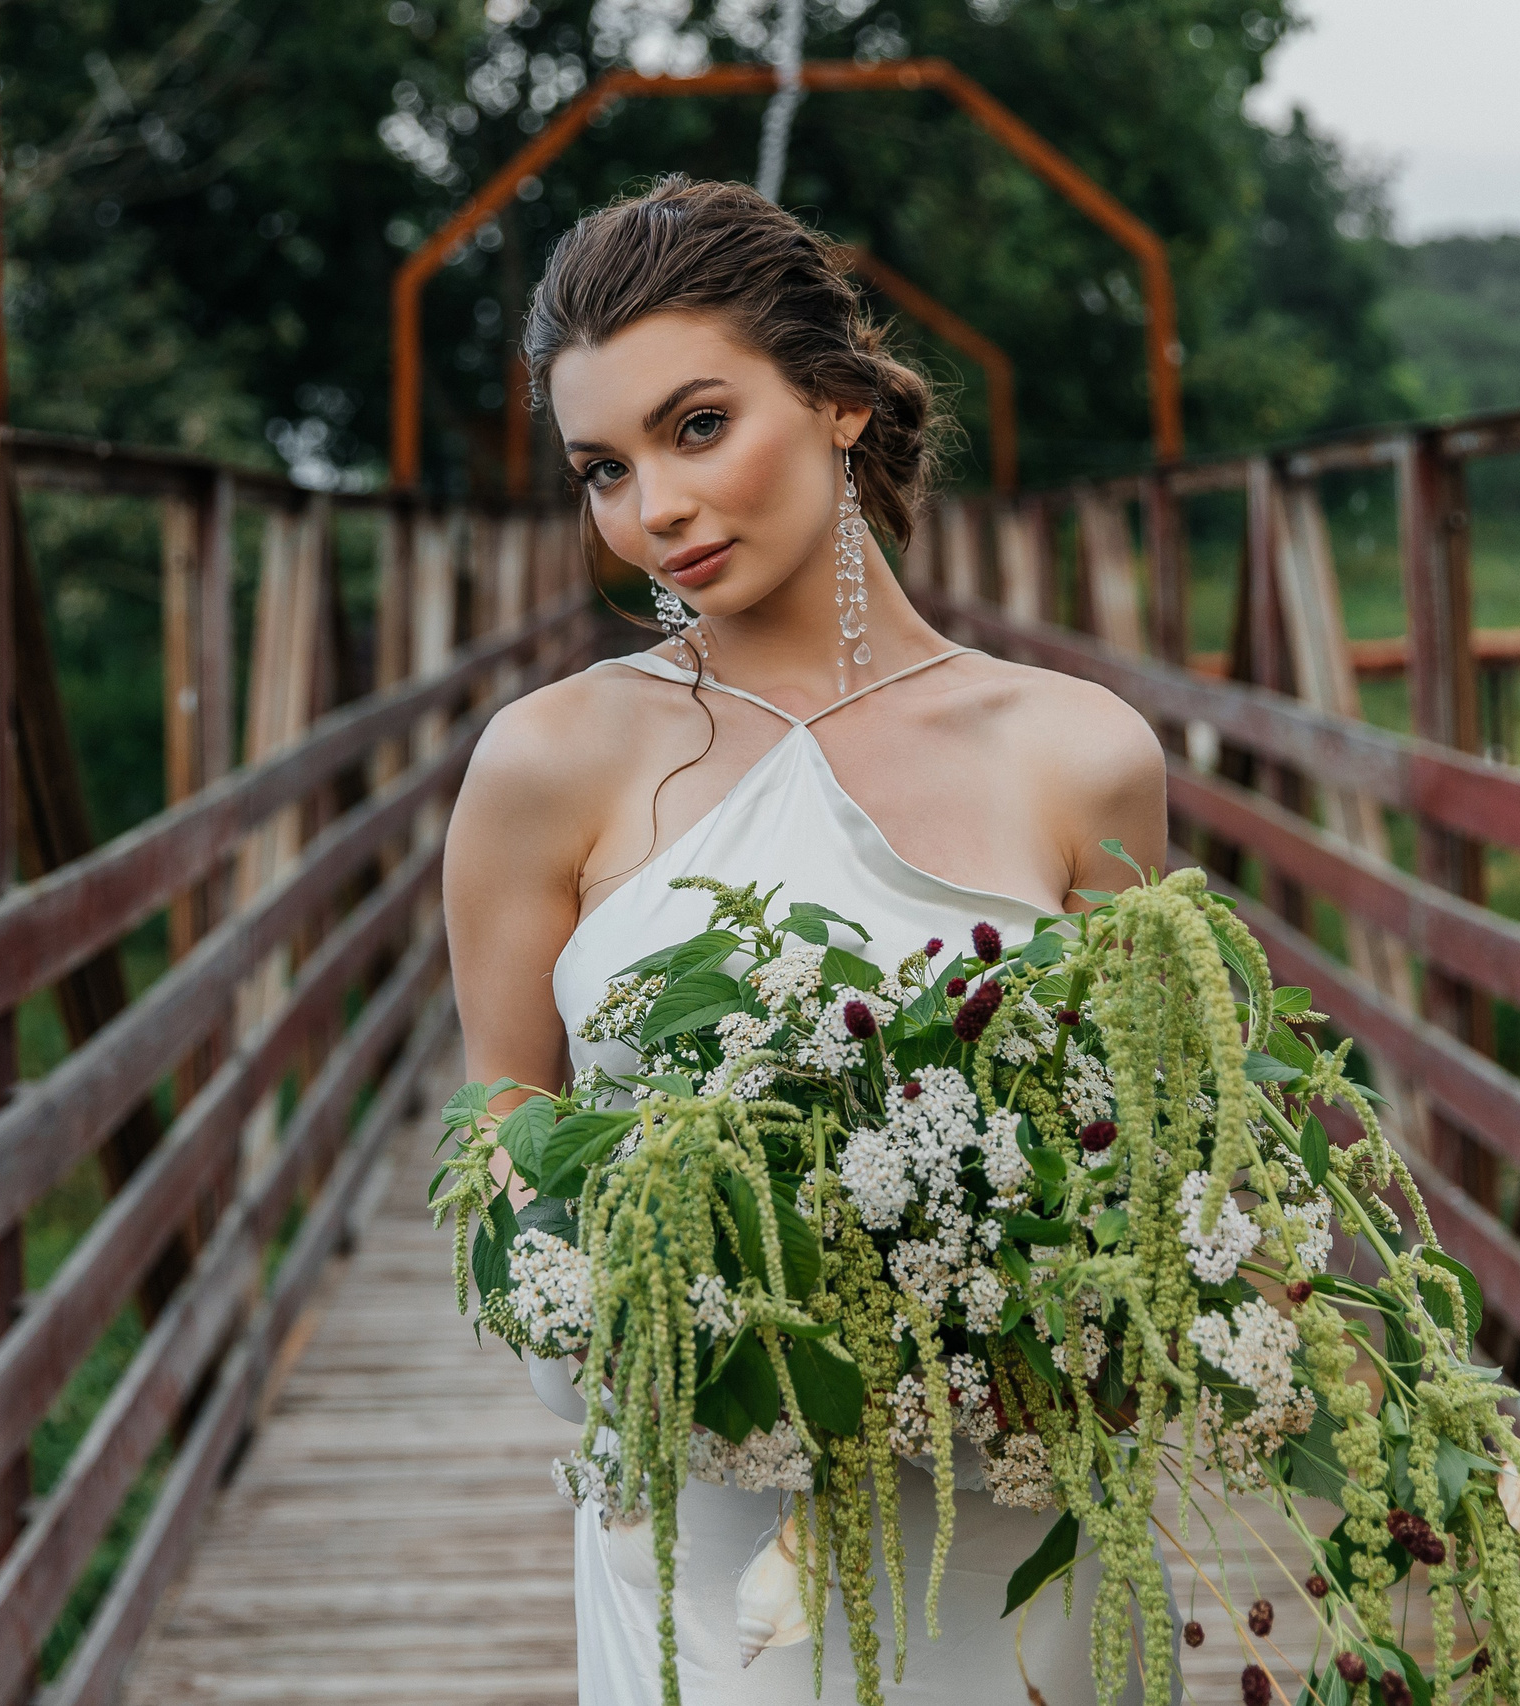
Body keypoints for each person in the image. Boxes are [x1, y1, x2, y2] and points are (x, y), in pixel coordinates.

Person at [442, 176, 1168, 1705]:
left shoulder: (1077, 751)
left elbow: (1130, 1139)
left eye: (698, 426)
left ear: (839, 401)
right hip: (705, 1511)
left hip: (1008, 1506)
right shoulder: (547, 760)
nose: (655, 511)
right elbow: (505, 1108)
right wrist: (615, 1289)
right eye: (604, 467)